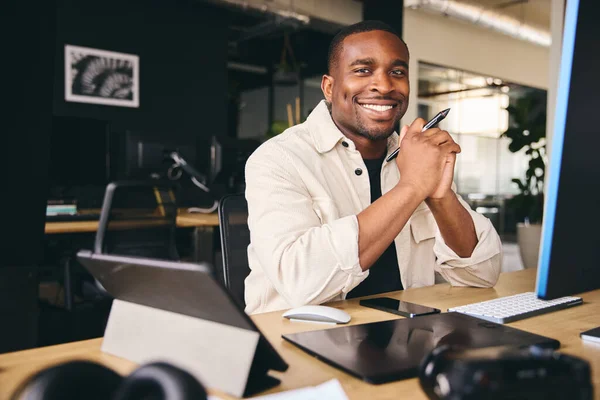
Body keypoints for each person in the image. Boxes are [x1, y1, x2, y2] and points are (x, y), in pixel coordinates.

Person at [244, 20, 502, 314]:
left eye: (397, 72)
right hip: (300, 341)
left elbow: (482, 275)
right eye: (363, 70)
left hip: (407, 339)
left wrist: (441, 197)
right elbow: (300, 283)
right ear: (329, 87)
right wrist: (413, 186)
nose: (384, 85)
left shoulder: (416, 159)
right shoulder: (279, 159)